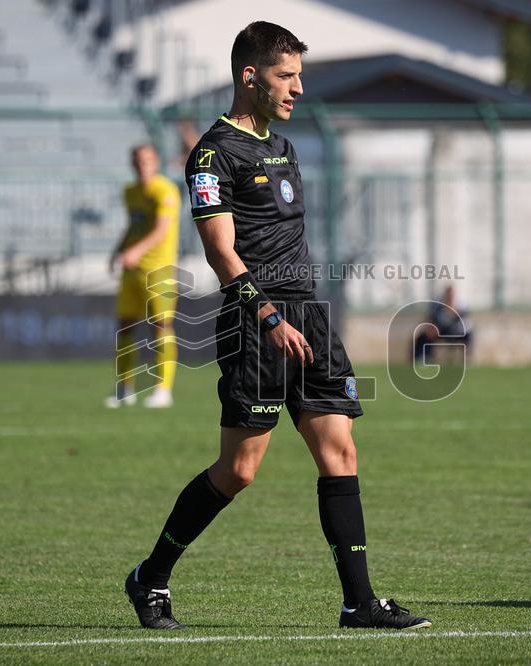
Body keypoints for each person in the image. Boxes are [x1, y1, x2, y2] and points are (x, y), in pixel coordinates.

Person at [123, 21, 431, 631]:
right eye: (285, 76)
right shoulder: (213, 153)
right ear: (250, 76)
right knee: (239, 470)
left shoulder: (284, 148)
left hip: (308, 316)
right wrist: (266, 316)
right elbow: (220, 252)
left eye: (299, 76)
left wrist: (298, 317)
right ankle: (150, 576)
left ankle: (359, 603)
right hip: (254, 323)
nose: (297, 89)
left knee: (340, 451)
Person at [104, 144, 181, 409]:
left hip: (159, 269)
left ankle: (163, 390)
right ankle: (125, 388)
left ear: (156, 162)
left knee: (161, 326)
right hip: (131, 269)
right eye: (138, 160)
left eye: (147, 160)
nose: (142, 164)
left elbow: (161, 229)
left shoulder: (165, 190)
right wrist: (118, 251)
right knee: (125, 325)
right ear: (132, 163)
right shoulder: (130, 192)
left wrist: (135, 251)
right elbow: (134, 226)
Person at [413, 284, 473, 363]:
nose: (449, 295)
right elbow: (433, 318)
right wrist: (432, 327)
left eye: (451, 293)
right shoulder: (438, 305)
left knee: (469, 334)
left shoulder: (461, 306)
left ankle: (467, 357)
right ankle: (423, 357)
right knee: (423, 336)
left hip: (456, 332)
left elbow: (465, 322)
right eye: (448, 293)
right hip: (441, 330)